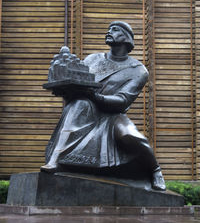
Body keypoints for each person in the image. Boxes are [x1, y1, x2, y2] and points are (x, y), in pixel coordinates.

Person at [41, 21, 166, 191]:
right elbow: (79, 79)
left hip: (113, 114)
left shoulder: (138, 70)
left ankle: (154, 170)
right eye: (109, 29)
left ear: (126, 37)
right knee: (77, 106)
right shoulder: (93, 59)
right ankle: (55, 159)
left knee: (130, 136)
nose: (109, 31)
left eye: (115, 29)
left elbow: (123, 100)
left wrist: (95, 96)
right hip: (86, 107)